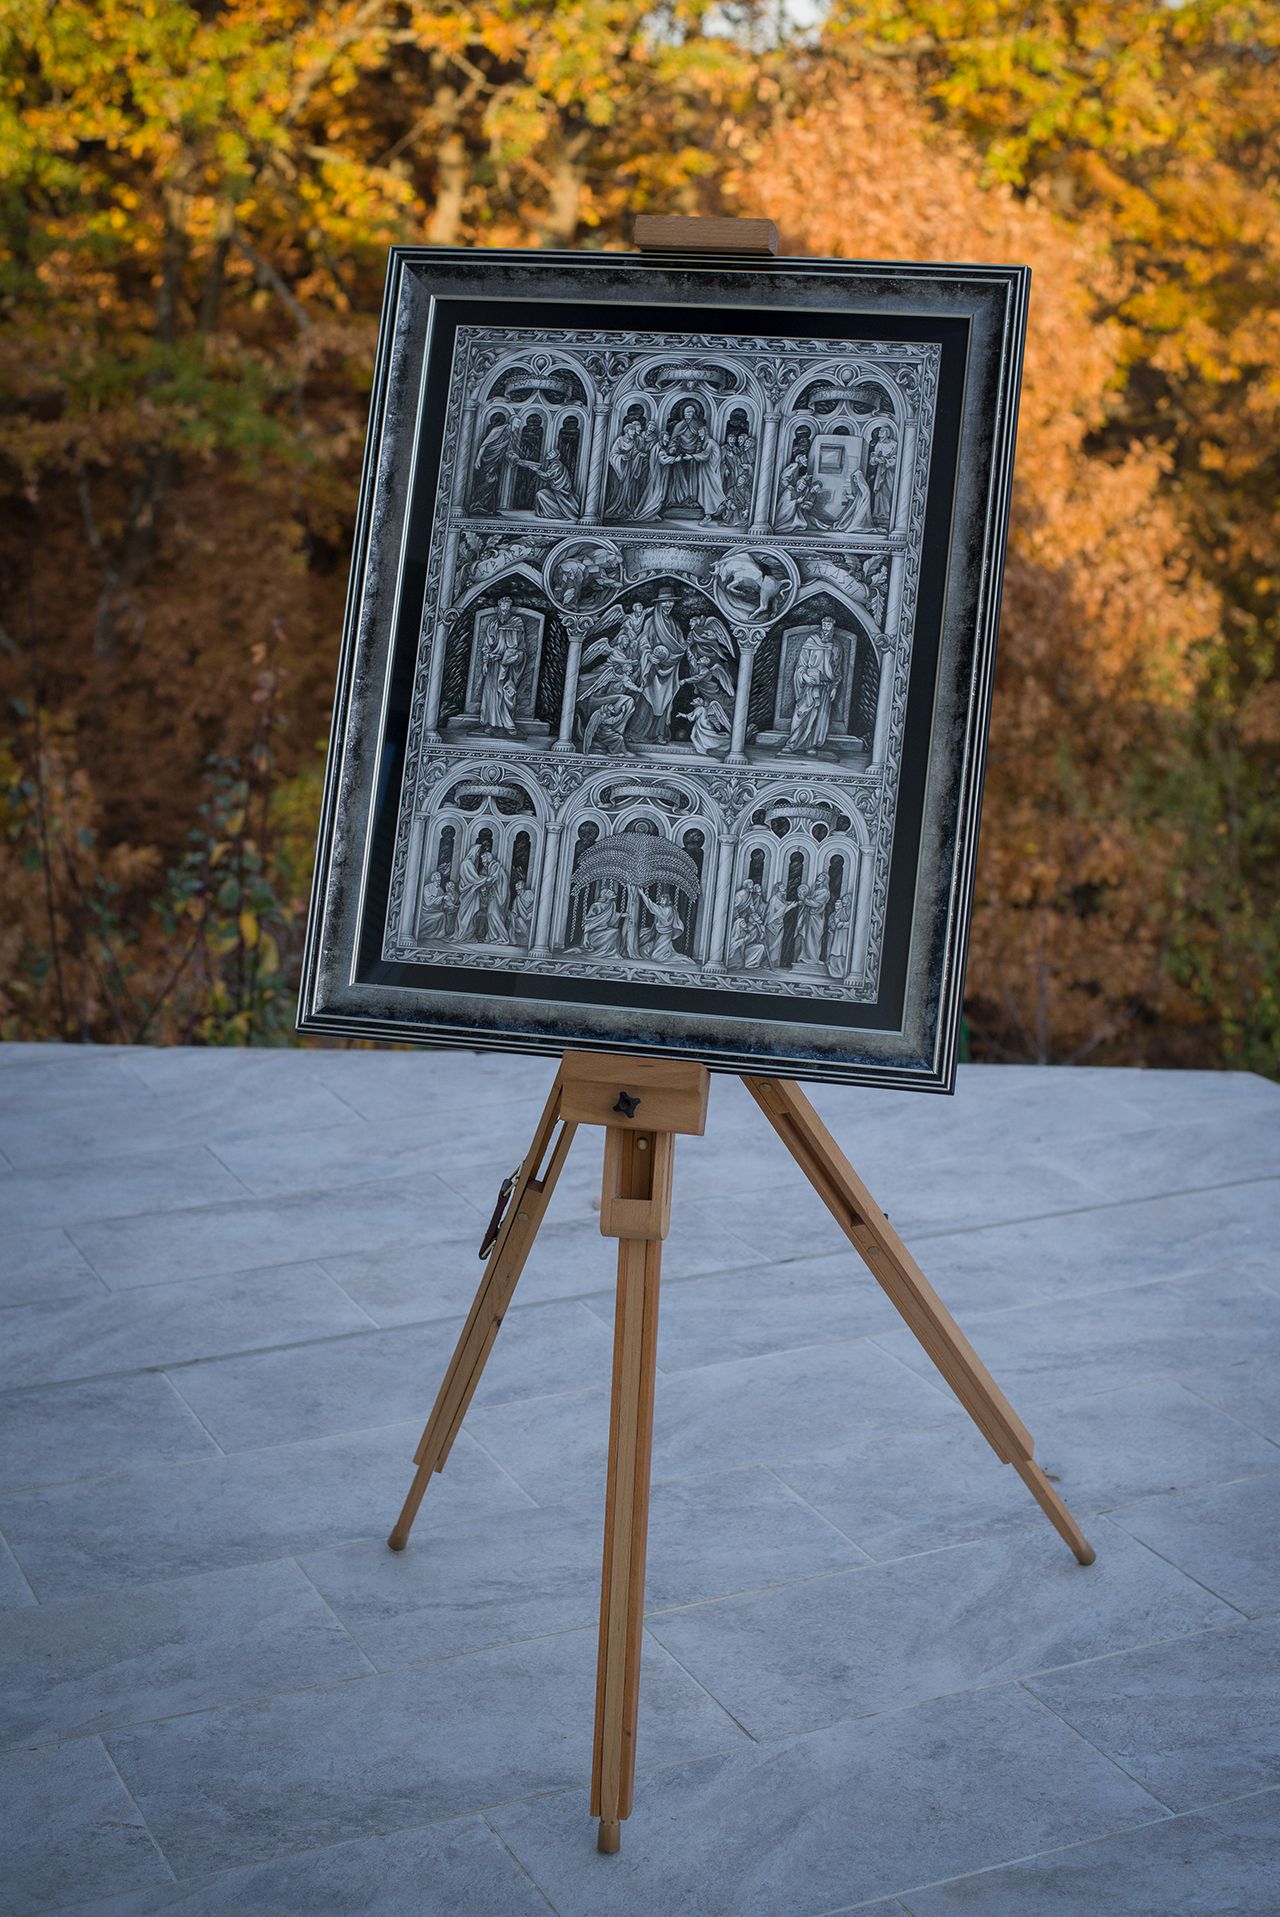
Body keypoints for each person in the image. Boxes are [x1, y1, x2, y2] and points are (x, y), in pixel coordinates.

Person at [635, 401, 725, 522]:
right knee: (679, 479)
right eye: (687, 412)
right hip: (679, 455)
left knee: (693, 479)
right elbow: (673, 439)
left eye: (691, 412)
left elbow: (700, 440)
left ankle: (692, 499)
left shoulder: (698, 425)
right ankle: (679, 499)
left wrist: (696, 452)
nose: (689, 414)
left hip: (694, 456)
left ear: (694, 413)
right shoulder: (678, 425)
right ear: (683, 413)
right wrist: (673, 448)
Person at [628, 586, 687, 744]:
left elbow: (681, 643)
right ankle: (637, 733)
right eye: (665, 601)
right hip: (653, 668)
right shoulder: (651, 622)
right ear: (659, 604)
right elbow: (643, 642)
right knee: (648, 700)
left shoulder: (674, 623)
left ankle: (660, 734)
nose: (668, 605)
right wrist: (649, 655)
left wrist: (679, 651)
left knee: (666, 701)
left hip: (670, 669)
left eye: (671, 601)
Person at [784, 618, 843, 754]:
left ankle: (812, 746)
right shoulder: (811, 642)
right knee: (802, 713)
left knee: (820, 718)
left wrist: (835, 687)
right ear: (822, 627)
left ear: (833, 628)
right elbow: (801, 665)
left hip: (826, 687)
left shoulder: (836, 646)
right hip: (809, 686)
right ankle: (792, 743)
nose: (827, 629)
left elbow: (837, 670)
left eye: (829, 626)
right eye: (825, 626)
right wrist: (805, 677)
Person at [476, 597, 526, 735]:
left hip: (508, 666)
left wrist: (513, 657)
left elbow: (522, 648)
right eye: (502, 607)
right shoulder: (493, 625)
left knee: (506, 693)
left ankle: (508, 724)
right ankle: (491, 723)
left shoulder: (517, 624)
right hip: (493, 665)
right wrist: (485, 663)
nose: (504, 610)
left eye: (507, 607)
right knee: (492, 694)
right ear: (499, 608)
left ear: (510, 608)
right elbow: (486, 646)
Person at [511, 442, 581, 518]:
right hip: (557, 491)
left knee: (540, 494)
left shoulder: (557, 465)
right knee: (540, 494)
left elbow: (547, 476)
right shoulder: (554, 464)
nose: (549, 453)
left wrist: (536, 470)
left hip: (561, 492)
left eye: (552, 453)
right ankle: (548, 513)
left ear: (556, 457)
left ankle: (554, 513)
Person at [602, 417, 654, 520]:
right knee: (618, 491)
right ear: (626, 431)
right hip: (620, 470)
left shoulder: (633, 441)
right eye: (631, 432)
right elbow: (613, 454)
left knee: (629, 490)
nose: (633, 434)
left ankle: (626, 509)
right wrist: (621, 457)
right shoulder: (619, 440)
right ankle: (616, 508)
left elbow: (635, 451)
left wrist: (640, 454)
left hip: (629, 469)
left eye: (633, 433)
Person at [638, 889, 684, 962]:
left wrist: (642, 894)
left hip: (665, 935)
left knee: (656, 957)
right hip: (658, 934)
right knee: (644, 950)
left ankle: (680, 958)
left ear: (668, 901)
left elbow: (651, 906)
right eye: (661, 899)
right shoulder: (662, 909)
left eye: (664, 900)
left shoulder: (668, 909)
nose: (662, 901)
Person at [793, 877, 829, 967]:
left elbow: (815, 903)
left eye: (821, 877)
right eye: (818, 877)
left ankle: (813, 958)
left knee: (813, 938)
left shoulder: (824, 891)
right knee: (807, 937)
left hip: (816, 918)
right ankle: (805, 956)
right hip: (811, 917)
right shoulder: (818, 890)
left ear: (825, 880)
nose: (818, 878)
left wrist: (804, 899)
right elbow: (812, 901)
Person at [831, 463, 872, 531]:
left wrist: (852, 499)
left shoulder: (864, 489)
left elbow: (860, 501)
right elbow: (856, 499)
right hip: (857, 509)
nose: (854, 481)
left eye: (855, 479)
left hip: (861, 512)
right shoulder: (860, 489)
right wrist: (847, 495)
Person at [869, 426, 896, 525]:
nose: (880, 435)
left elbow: (896, 459)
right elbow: (872, 459)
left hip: (890, 472)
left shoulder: (894, 445)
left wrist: (887, 461)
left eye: (882, 432)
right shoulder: (879, 445)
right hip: (880, 471)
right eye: (879, 432)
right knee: (879, 491)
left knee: (888, 491)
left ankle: (887, 514)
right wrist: (876, 459)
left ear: (887, 433)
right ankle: (878, 514)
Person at [418, 867, 453, 940]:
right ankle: (429, 934)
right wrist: (442, 898)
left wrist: (450, 903)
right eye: (437, 880)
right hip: (427, 911)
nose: (439, 881)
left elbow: (443, 902)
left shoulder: (440, 890)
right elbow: (428, 902)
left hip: (436, 910)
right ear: (433, 879)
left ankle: (438, 935)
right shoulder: (427, 888)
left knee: (444, 914)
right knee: (441, 915)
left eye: (439, 880)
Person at [763, 883, 792, 968]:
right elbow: (776, 913)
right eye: (782, 887)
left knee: (777, 945)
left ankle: (774, 963)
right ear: (777, 889)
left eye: (784, 887)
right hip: (772, 925)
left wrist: (792, 904)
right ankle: (768, 963)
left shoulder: (781, 899)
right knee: (772, 945)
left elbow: (784, 905)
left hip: (779, 924)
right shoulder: (774, 899)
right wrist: (790, 907)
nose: (784, 888)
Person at [826, 890, 853, 978]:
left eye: (845, 900)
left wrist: (843, 924)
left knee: (844, 951)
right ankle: (834, 971)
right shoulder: (839, 913)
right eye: (843, 901)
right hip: (838, 936)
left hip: (846, 936)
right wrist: (846, 924)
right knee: (836, 951)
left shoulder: (852, 912)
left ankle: (842, 972)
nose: (844, 902)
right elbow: (837, 924)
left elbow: (853, 923)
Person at [509, 879, 535, 946]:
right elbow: (514, 912)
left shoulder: (529, 893)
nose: (517, 890)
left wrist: (532, 913)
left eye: (518, 888)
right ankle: (517, 941)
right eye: (516, 889)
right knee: (518, 920)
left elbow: (536, 905)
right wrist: (512, 919)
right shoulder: (517, 899)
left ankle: (530, 939)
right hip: (523, 920)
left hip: (532, 919)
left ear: (522, 887)